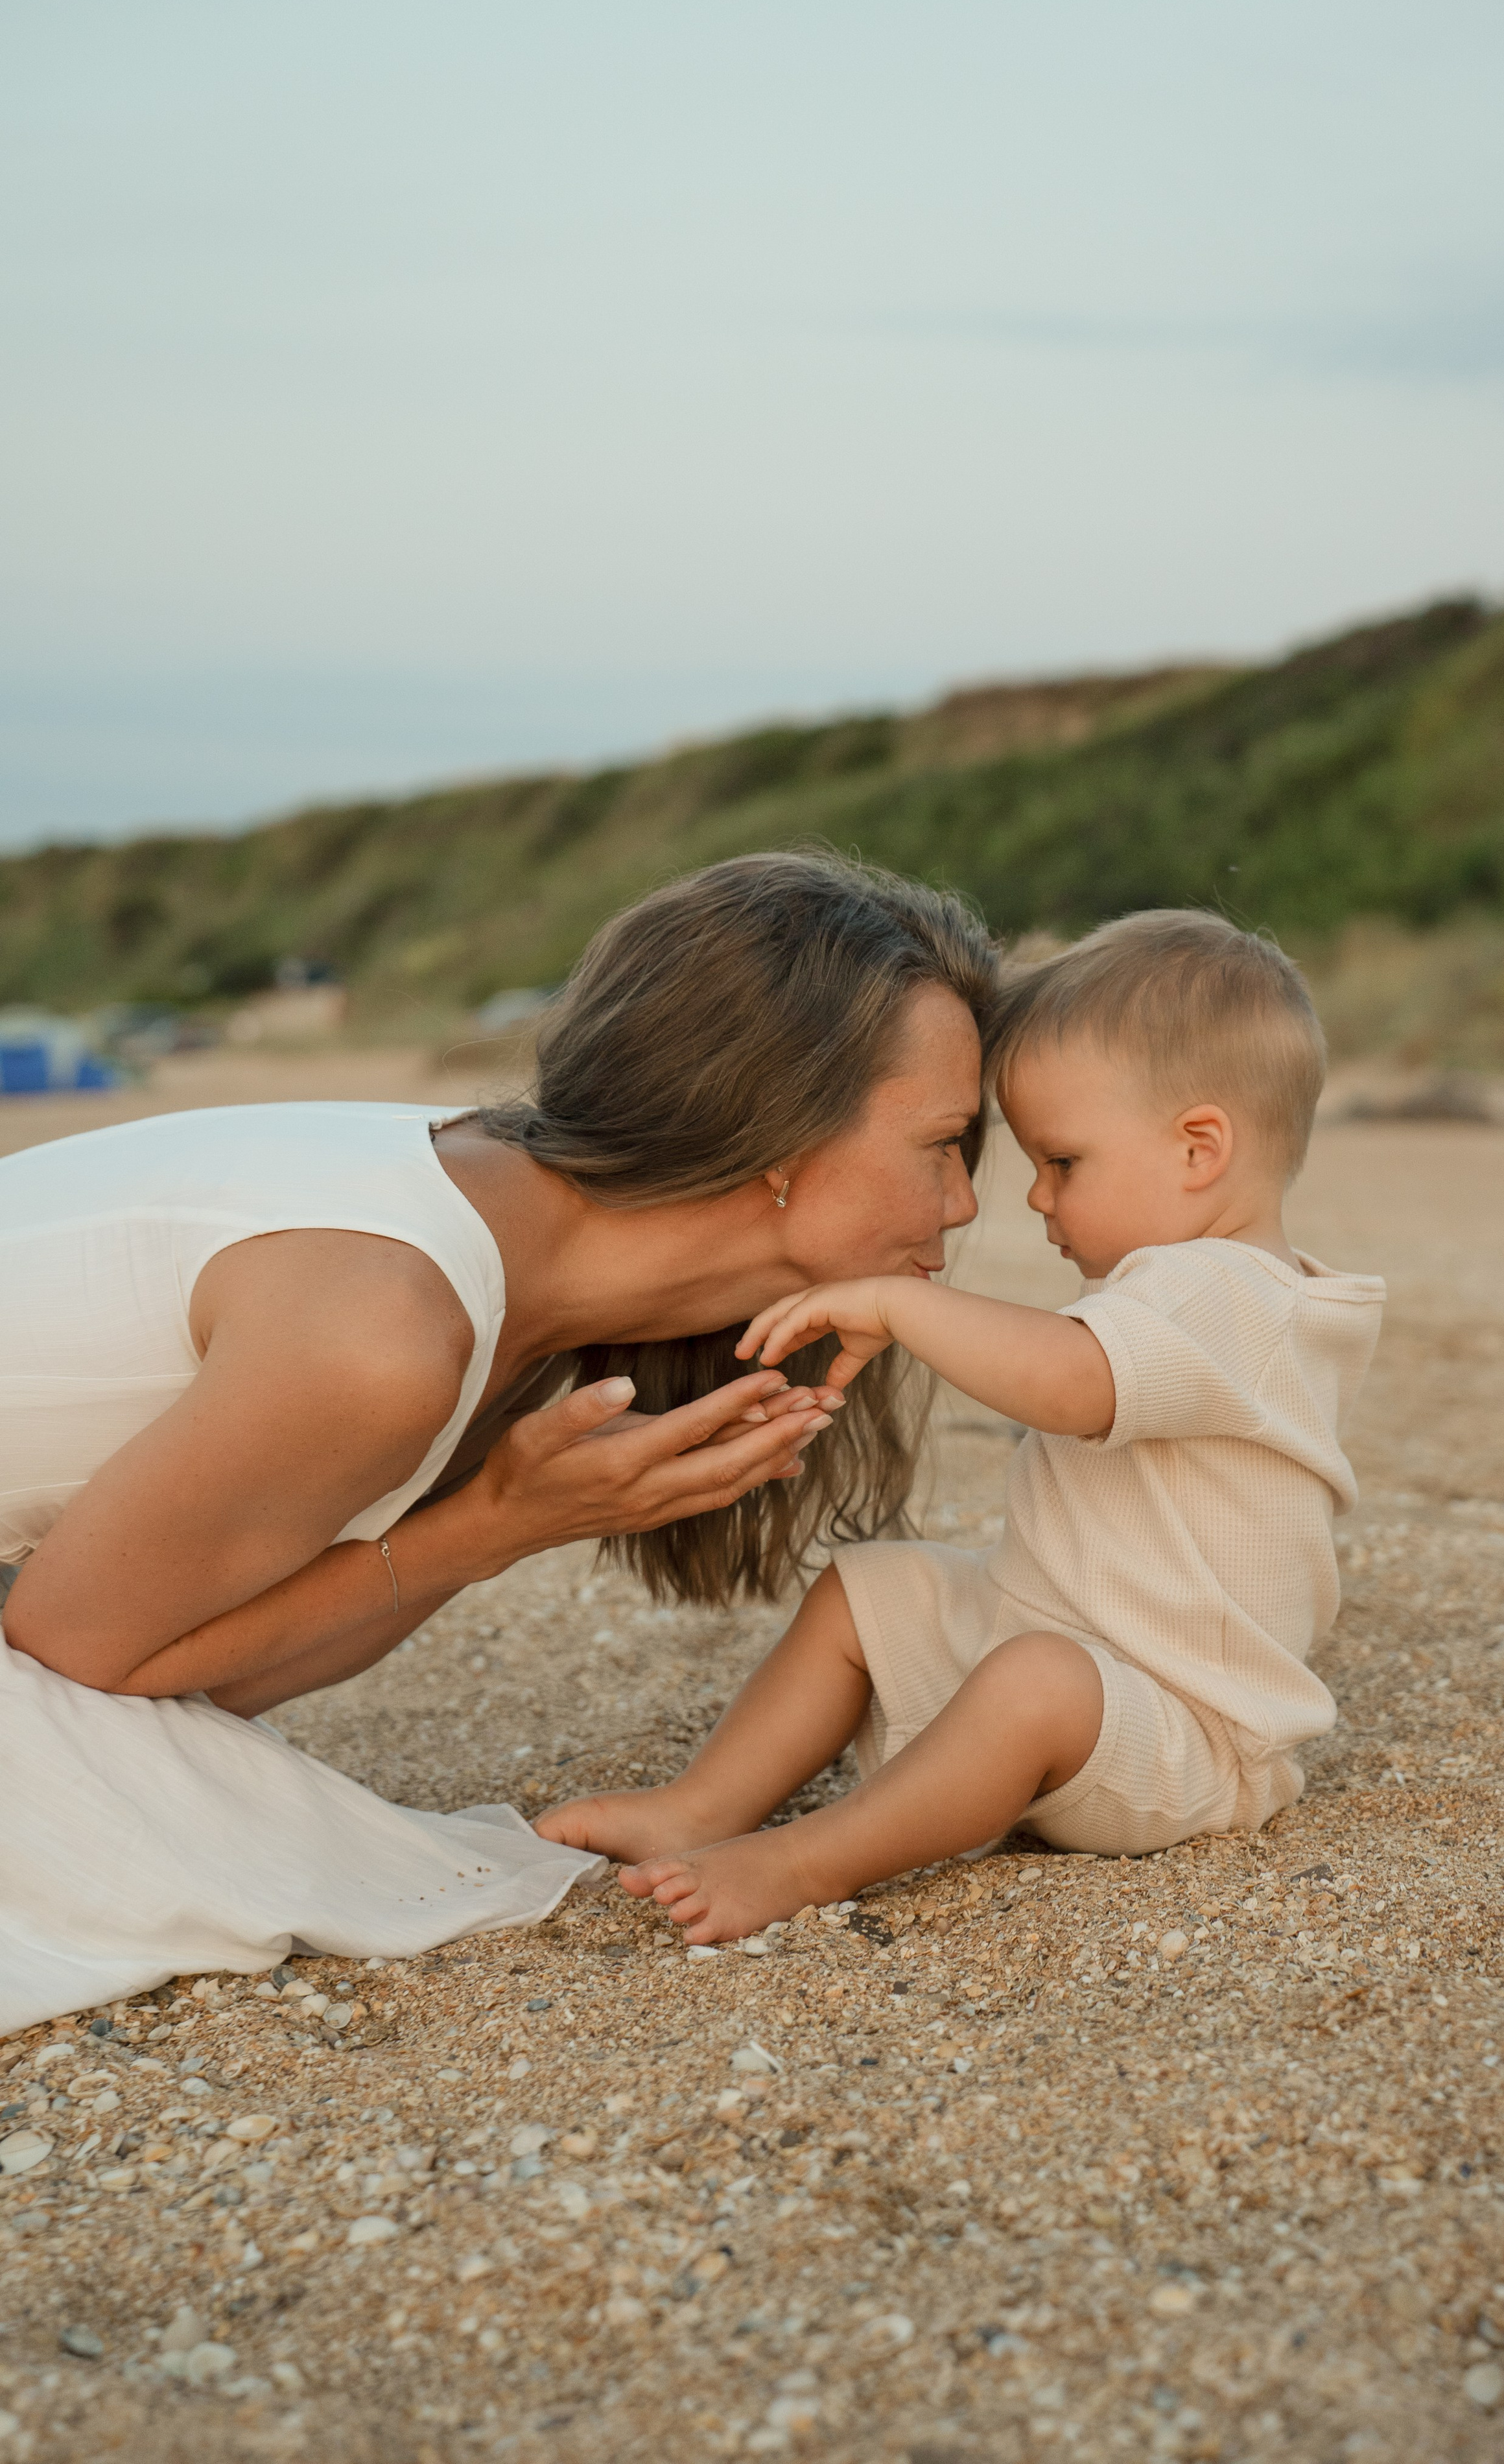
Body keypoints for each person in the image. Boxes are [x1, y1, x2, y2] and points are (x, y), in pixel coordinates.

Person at [0, 854, 998, 2028]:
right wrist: (499, 1525)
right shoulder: (389, 1324)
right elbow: (80, 1666)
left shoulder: (509, 1258)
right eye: (943, 1143)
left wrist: (499, 1525)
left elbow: (214, 1671)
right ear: (779, 1136)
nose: (967, 1203)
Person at [543, 910, 1385, 1940]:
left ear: (1200, 1148)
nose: (1033, 1197)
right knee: (869, 1590)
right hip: (1062, 1654)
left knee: (1033, 1684)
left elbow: (1073, 1382)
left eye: (1063, 1161)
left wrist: (902, 1307)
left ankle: (805, 1860)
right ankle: (703, 1805)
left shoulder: (1230, 1296)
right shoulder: (1187, 1291)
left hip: (1181, 1732)